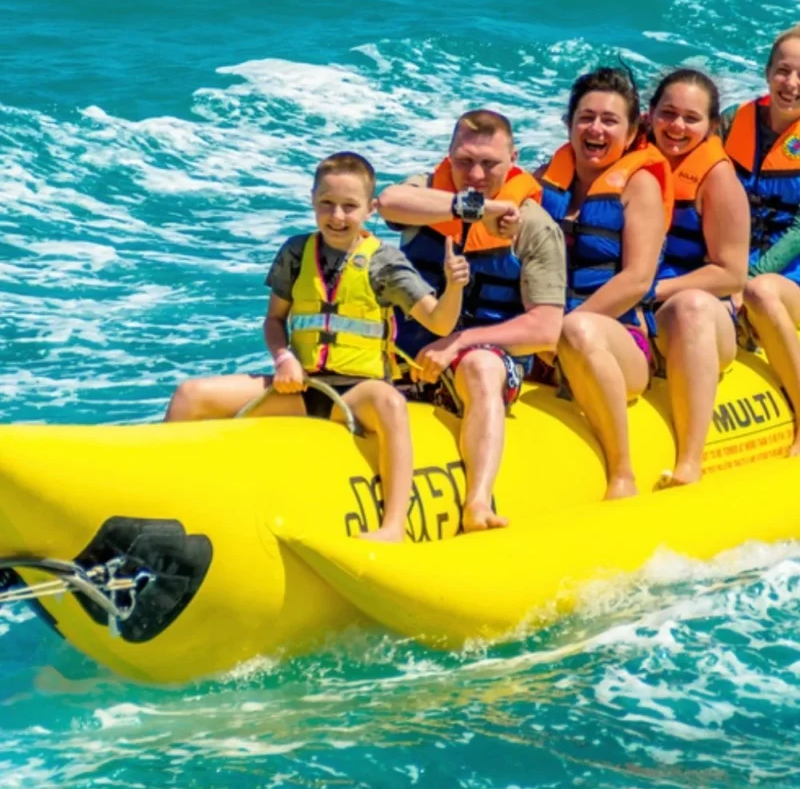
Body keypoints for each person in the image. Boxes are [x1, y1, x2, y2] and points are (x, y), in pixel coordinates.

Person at [165, 151, 471, 543]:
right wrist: (283, 357)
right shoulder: (296, 253)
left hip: (359, 392)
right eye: (326, 203)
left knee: (392, 405)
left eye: (349, 206)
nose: (337, 216)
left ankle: (393, 525)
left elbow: (440, 322)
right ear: (312, 200)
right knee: (191, 395)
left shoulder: (384, 262)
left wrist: (455, 286)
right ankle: (169, 501)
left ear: (370, 208)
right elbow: (275, 320)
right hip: (303, 386)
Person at [376, 109, 566, 532]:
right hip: (405, 352)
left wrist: (460, 341)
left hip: (488, 358)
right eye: (463, 161)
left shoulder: (533, 225)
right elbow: (386, 202)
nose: (474, 174)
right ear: (448, 156)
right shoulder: (426, 196)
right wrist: (475, 209)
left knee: (480, 366)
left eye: (489, 164)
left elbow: (546, 327)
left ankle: (478, 502)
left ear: (513, 159)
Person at [534, 66, 673, 500]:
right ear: (570, 124)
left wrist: (558, 331)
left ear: (632, 133)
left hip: (620, 342)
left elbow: (637, 279)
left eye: (609, 121)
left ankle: (623, 472)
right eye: (586, 118)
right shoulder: (543, 181)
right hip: (544, 339)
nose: (596, 129)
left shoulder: (640, 186)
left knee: (579, 329)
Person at [648, 69, 750, 486]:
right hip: (634, 306)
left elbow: (730, 273)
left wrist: (652, 291)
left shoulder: (717, 178)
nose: (676, 126)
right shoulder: (624, 160)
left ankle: (690, 460)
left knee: (690, 307)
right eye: (667, 113)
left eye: (691, 118)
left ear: (711, 126)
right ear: (648, 115)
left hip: (703, 315)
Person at [722, 24, 800, 456]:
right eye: (784, 71)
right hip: (735, 259)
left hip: (785, 275)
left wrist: (743, 277)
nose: (792, 84)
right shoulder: (735, 121)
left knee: (760, 292)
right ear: (768, 72)